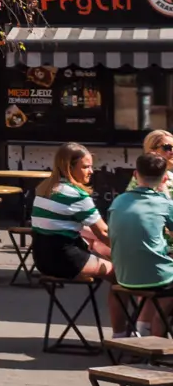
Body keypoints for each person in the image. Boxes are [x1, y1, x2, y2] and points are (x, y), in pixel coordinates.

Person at [31, 141, 125, 334]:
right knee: (122, 276)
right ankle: (121, 334)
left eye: (91, 166)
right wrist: (125, 251)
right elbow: (104, 232)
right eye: (85, 166)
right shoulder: (77, 195)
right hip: (65, 259)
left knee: (96, 243)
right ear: (68, 166)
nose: (91, 171)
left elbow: (83, 231)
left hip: (42, 258)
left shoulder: (44, 189)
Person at [108, 151, 173, 335]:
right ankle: (151, 337)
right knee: (163, 286)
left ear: (136, 174)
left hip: (123, 275)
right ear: (165, 178)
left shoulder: (118, 201)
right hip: (155, 277)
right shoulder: (164, 204)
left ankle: (140, 330)